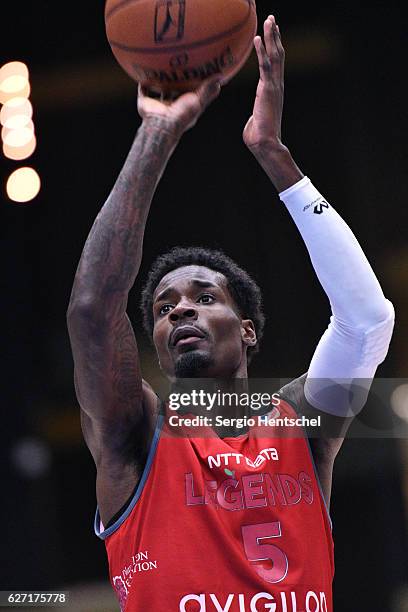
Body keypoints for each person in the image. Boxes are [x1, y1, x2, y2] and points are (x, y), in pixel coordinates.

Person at [67, 15, 394, 612]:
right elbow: (92, 311)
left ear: (247, 332)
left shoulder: (299, 424)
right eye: (165, 309)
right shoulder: (134, 434)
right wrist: (158, 134)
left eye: (204, 298)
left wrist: (276, 158)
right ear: (159, 345)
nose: (181, 311)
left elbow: (367, 319)